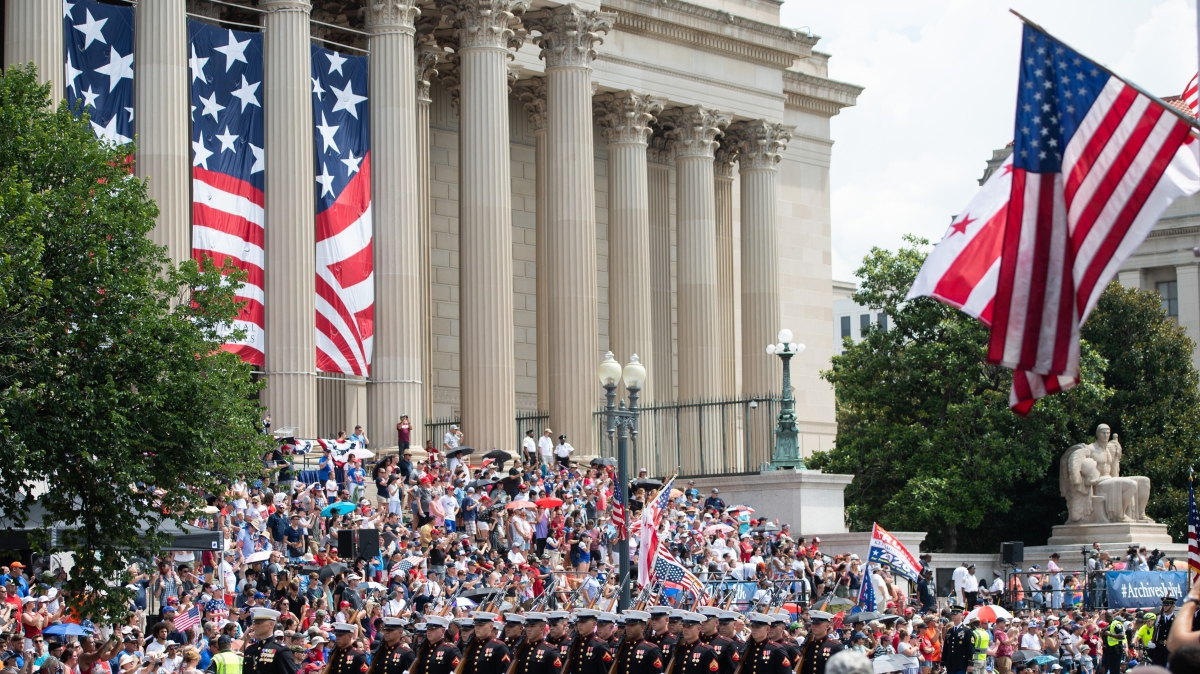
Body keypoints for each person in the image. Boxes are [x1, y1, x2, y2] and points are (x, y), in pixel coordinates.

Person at [243, 608, 298, 674]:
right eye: (254, 623)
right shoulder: (250, 650)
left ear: (271, 624)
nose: (255, 626)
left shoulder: (281, 650)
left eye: (259, 623)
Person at [942, 607, 973, 674]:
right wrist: (942, 662)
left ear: (962, 615)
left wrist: (970, 663)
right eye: (952, 614)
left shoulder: (967, 630)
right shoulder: (950, 631)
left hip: (961, 663)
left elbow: (970, 648)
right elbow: (946, 647)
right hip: (950, 663)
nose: (953, 615)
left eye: (956, 614)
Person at [1148, 595, 1175, 666]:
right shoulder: (1159, 620)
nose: (1165, 607)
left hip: (1171, 649)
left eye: (1167, 605)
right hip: (1159, 650)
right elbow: (1155, 633)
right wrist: (1152, 641)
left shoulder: (1176, 620)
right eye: (1164, 605)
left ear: (1173, 607)